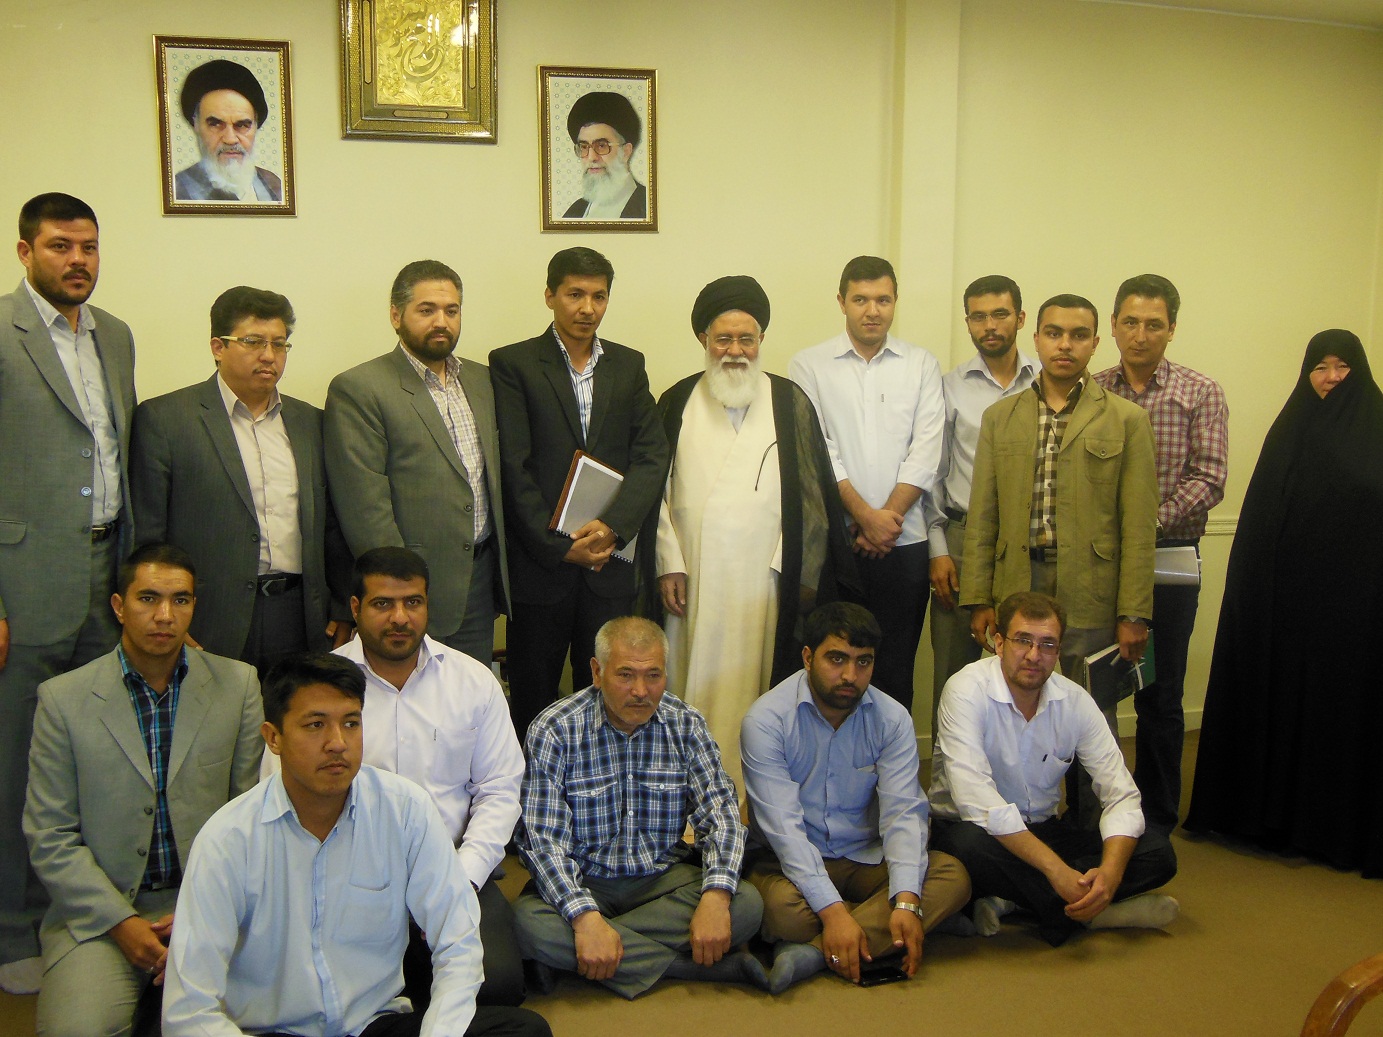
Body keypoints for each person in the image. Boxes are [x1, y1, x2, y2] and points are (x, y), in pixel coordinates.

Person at [162, 652, 550, 1037]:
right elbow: (189, 1009)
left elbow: (458, 942)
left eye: (351, 723)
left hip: (371, 1024)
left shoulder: (404, 809)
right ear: (273, 737)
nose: (337, 743)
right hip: (276, 1029)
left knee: (524, 1031)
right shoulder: (228, 839)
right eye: (315, 725)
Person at [22, 543, 262, 1037]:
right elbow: (50, 836)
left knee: (268, 1019)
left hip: (213, 906)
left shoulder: (238, 685)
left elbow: (252, 819)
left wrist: (201, 910)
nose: (164, 616)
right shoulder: (63, 700)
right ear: (118, 606)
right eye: (148, 598)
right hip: (100, 918)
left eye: (180, 600)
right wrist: (122, 923)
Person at [0, 192, 136, 994]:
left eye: (88, 245)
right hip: (24, 585)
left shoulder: (114, 334)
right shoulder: (4, 332)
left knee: (96, 756)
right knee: (18, 759)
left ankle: (82, 913)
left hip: (105, 575)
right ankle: (13, 925)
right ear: (25, 252)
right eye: (60, 245)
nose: (77, 259)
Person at [644, 275, 855, 788]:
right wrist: (669, 562)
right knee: (689, 680)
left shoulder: (789, 401)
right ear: (703, 340)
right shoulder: (676, 401)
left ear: (761, 340)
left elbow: (814, 498)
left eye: (746, 339)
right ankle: (687, 788)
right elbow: (654, 494)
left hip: (765, 579)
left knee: (758, 682)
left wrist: (793, 570)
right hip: (693, 580)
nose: (735, 351)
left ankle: (752, 792)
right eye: (723, 339)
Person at [1186, 330, 1383, 877]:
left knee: (1340, 716)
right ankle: (1273, 821)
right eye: (1319, 366)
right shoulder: (1290, 429)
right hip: (1289, 611)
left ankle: (1334, 829)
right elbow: (1262, 522)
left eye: (1342, 366)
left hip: (1357, 613)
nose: (1330, 377)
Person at [959, 292, 1157, 826]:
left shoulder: (1126, 420)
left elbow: (1139, 526)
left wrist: (1134, 612)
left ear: (1096, 342)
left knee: (1092, 714)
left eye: (1078, 335)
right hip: (1018, 585)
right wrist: (978, 598)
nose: (1064, 345)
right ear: (1037, 338)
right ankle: (1018, 827)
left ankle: (1093, 829)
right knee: (1012, 708)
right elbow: (983, 515)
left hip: (1092, 589)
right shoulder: (1001, 417)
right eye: (1054, 333)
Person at [512, 617, 768, 999]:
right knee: (527, 923)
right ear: (597, 672)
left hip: (662, 879)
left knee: (744, 904)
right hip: (587, 879)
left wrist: (715, 898)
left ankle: (588, 957)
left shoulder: (686, 724)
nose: (641, 691)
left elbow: (723, 817)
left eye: (653, 676)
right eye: (625, 675)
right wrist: (584, 917)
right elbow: (542, 842)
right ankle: (689, 967)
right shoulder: (555, 729)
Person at [741, 602, 970, 994]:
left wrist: (906, 899)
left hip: (867, 856)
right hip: (790, 862)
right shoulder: (766, 721)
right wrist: (834, 913)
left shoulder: (891, 719)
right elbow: (784, 832)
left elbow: (903, 814)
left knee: (952, 876)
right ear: (808, 657)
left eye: (863, 662)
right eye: (837, 659)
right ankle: (889, 929)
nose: (850, 675)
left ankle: (814, 953)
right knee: (781, 912)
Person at [931, 591, 1179, 947]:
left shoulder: (1075, 701)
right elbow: (978, 803)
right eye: (1023, 641)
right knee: (965, 848)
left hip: (1043, 830)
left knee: (1158, 852)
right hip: (975, 831)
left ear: (1059, 651)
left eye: (1047, 645)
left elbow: (1122, 794)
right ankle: (1092, 914)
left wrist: (1110, 874)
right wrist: (1056, 870)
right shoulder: (965, 691)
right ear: (999, 643)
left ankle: (1018, 899)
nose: (1034, 656)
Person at [489, 247, 668, 738]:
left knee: (610, 697)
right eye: (575, 294)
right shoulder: (513, 363)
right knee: (534, 697)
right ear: (550, 296)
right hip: (541, 569)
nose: (587, 308)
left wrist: (612, 528)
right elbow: (513, 467)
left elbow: (652, 455)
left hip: (609, 565)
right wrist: (559, 547)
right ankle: (534, 786)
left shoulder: (628, 365)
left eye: (598, 296)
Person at [339, 547, 527, 1007]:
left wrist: (461, 882)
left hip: (452, 868)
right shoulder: (323, 686)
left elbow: (499, 790)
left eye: (413, 602)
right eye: (383, 604)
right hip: (352, 882)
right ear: (356, 608)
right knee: (345, 995)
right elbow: (288, 795)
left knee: (497, 986)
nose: (400, 618)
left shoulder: (471, 681)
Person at [130, 287, 353, 675]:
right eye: (253, 342)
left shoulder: (311, 423)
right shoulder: (165, 420)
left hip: (300, 615)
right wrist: (165, 614)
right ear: (218, 347)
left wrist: (341, 607)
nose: (269, 355)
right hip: (208, 616)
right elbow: (148, 535)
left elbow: (332, 524)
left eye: (279, 344)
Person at [1093, 275, 1228, 833]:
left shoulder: (1200, 392)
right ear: (1113, 326)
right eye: (1130, 322)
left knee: (1160, 692)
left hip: (1169, 556)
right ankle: (1096, 811)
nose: (1140, 334)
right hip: (1099, 559)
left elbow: (1210, 477)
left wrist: (1148, 523)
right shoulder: (1091, 391)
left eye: (1154, 324)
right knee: (1093, 690)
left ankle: (1156, 818)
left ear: (1171, 329)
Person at [325, 260, 508, 666]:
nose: (441, 321)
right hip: (407, 589)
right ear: (396, 315)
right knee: (405, 696)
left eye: (451, 310)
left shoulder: (482, 380)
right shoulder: (360, 388)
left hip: (479, 581)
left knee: (469, 695)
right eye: (427, 310)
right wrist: (400, 594)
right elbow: (365, 509)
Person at [789, 257, 945, 709]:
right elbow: (818, 450)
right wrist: (863, 516)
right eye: (860, 300)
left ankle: (890, 756)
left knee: (895, 667)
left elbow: (927, 449)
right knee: (834, 669)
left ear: (895, 302)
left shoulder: (921, 364)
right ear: (842, 302)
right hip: (839, 545)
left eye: (883, 300)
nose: (872, 311)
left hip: (905, 542)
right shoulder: (808, 365)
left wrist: (885, 520)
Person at [926, 275, 1037, 747]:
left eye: (1000, 314)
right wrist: (937, 549)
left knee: (1025, 669)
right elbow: (933, 472)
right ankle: (949, 784)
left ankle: (1020, 781)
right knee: (955, 676)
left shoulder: (1047, 383)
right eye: (978, 316)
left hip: (1029, 547)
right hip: (962, 542)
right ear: (967, 321)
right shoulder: (948, 388)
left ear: (1020, 318)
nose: (989, 325)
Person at [173, 59, 284, 203]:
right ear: (196, 124)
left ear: (255, 126)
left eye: (242, 125)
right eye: (216, 124)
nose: (230, 139)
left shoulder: (273, 183)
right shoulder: (179, 189)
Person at [560, 92, 647, 220]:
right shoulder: (575, 211)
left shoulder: (647, 205)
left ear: (626, 151)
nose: (591, 157)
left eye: (601, 146)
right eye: (584, 147)